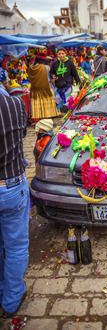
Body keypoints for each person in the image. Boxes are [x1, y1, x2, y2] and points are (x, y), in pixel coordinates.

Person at [0, 93, 30, 318]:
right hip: (10, 183)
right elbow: (21, 135)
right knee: (16, 245)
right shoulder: (16, 103)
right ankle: (11, 300)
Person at [28, 52, 59, 119]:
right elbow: (51, 79)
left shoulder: (31, 68)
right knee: (47, 103)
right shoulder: (46, 68)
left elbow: (29, 79)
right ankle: (48, 116)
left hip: (35, 90)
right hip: (46, 88)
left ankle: (39, 116)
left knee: (38, 103)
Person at [50, 47, 82, 112]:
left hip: (68, 86)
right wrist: (53, 75)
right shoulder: (55, 63)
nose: (61, 55)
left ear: (65, 54)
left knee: (67, 104)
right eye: (59, 54)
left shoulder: (70, 63)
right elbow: (51, 72)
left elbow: (75, 74)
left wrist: (80, 85)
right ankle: (60, 115)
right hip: (59, 86)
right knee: (57, 102)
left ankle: (68, 117)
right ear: (57, 55)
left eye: (62, 53)